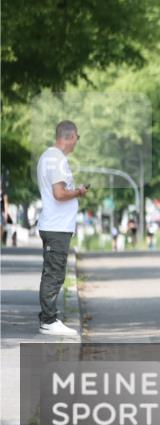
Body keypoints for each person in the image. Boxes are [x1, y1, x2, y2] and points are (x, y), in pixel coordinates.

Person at [35, 120, 86, 337]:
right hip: (56, 227)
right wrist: (79, 192)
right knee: (54, 275)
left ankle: (49, 318)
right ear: (70, 136)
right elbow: (59, 193)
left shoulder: (49, 157)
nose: (77, 142)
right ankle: (49, 321)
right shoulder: (56, 160)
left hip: (54, 225)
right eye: (77, 137)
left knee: (52, 273)